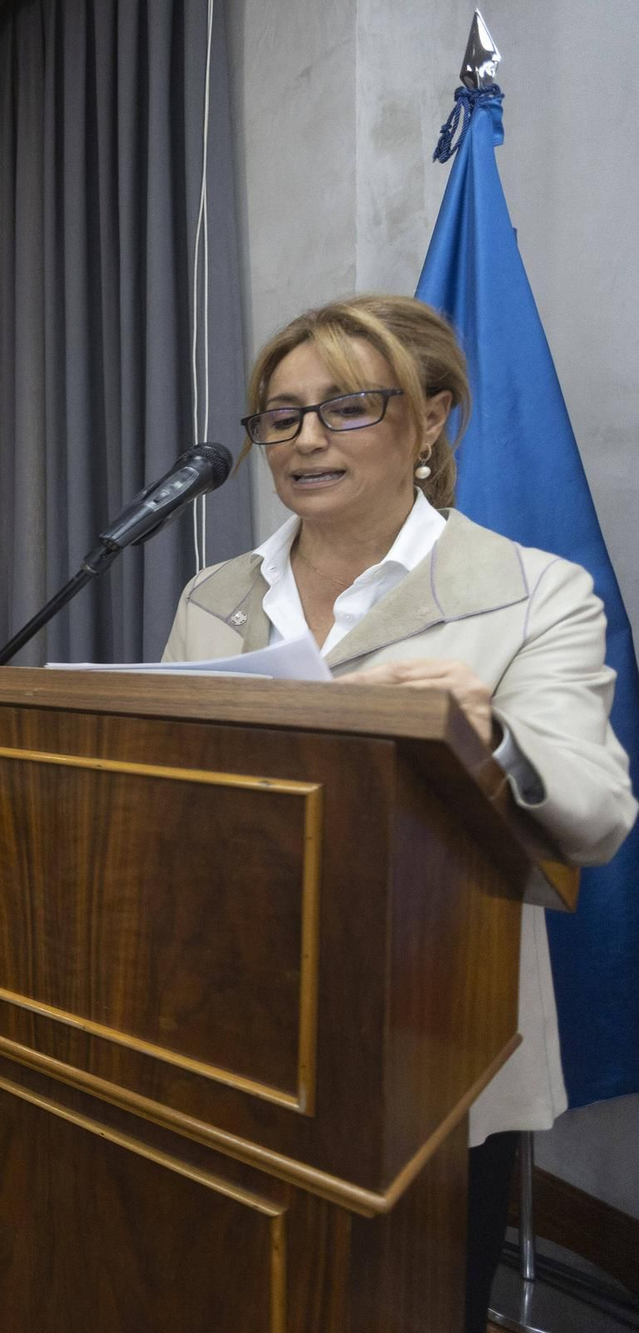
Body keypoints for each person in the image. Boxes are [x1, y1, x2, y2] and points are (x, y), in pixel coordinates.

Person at [161, 293, 637, 1333]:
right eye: (278, 415)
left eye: (345, 407)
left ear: (429, 419)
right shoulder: (213, 596)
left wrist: (485, 738)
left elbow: (597, 813)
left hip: (432, 1048)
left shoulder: (532, 592)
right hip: (229, 1026)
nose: (303, 439)